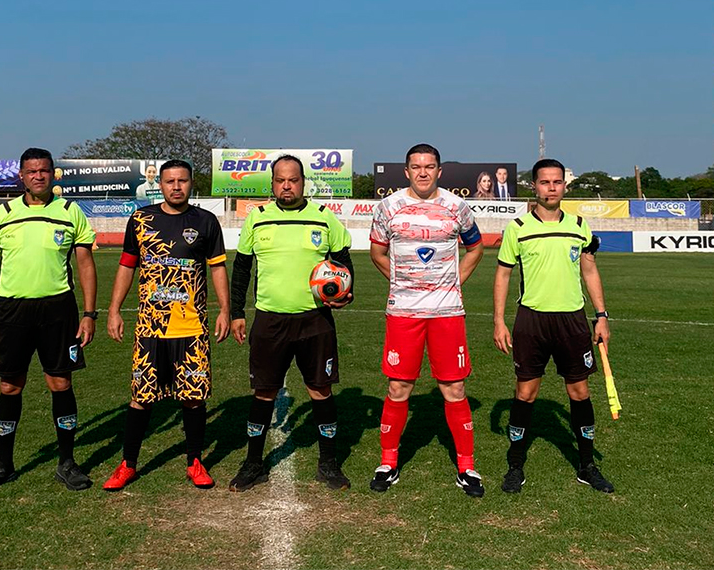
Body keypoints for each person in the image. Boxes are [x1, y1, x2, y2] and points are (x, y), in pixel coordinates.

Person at [0, 147, 98, 491]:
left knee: (61, 384)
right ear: (22, 176)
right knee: (9, 386)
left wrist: (89, 314)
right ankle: (3, 464)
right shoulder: (5, 213)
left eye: (44, 170)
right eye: (32, 171)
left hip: (58, 310)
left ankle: (67, 463)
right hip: (12, 311)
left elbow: (85, 264)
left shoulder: (70, 212)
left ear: (53, 174)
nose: (38, 176)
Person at [228, 154, 355, 492]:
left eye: (293, 180)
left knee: (321, 390)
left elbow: (343, 261)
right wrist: (237, 312)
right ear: (272, 184)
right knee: (264, 391)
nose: (287, 186)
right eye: (280, 180)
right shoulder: (257, 218)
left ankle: (328, 463)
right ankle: (253, 463)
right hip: (269, 320)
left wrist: (347, 291)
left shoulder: (324, 217)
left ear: (303, 183)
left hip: (315, 320)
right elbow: (241, 269)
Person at [103, 160, 230, 491]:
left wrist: (225, 310)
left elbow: (217, 267)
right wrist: (114, 310)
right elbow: (127, 266)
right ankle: (128, 464)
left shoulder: (205, 221)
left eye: (182, 181)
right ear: (159, 184)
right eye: (170, 181)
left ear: (191, 183)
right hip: (150, 328)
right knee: (141, 397)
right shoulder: (141, 219)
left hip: (191, 327)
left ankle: (195, 462)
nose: (176, 186)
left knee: (193, 398)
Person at [369, 143, 486, 497]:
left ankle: (467, 466)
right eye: (416, 167)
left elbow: (476, 247)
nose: (423, 172)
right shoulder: (388, 208)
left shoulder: (456, 207)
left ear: (439, 171)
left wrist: (453, 282)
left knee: (454, 389)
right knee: (398, 387)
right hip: (403, 312)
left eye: (429, 166)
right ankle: (388, 462)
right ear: (406, 171)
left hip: (447, 312)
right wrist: (401, 281)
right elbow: (377, 252)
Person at [494, 158, 614, 494]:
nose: (551, 188)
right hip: (532, 319)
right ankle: (515, 465)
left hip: (572, 320)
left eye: (557, 182)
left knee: (579, 392)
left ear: (564, 185)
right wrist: (499, 320)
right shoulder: (518, 227)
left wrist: (602, 316)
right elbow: (503, 274)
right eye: (544, 182)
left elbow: (589, 270)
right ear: (534, 186)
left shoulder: (579, 225)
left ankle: (587, 465)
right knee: (525, 392)